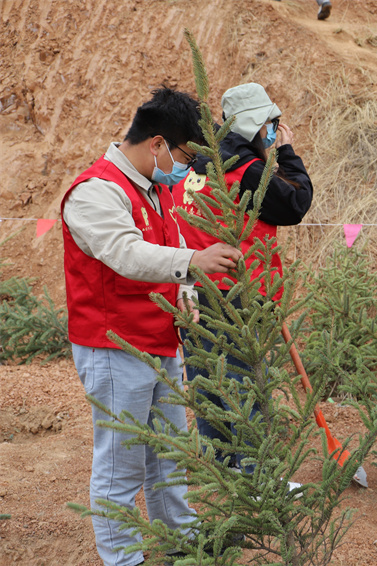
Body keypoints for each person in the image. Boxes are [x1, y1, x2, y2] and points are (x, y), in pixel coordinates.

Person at [62, 87, 243, 566]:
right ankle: (123, 557)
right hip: (114, 347)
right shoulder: (94, 191)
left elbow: (169, 244)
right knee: (120, 464)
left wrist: (186, 297)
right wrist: (193, 261)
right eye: (185, 155)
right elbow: (126, 254)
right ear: (158, 144)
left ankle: (181, 537)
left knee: (169, 454)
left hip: (161, 342)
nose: (187, 167)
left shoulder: (157, 189)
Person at [172, 82, 313, 480]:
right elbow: (295, 203)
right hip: (241, 297)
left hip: (194, 295)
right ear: (256, 125)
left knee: (208, 385)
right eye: (272, 124)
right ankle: (260, 479)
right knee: (246, 384)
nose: (274, 130)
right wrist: (287, 153)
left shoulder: (194, 166)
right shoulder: (245, 170)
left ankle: (220, 473)